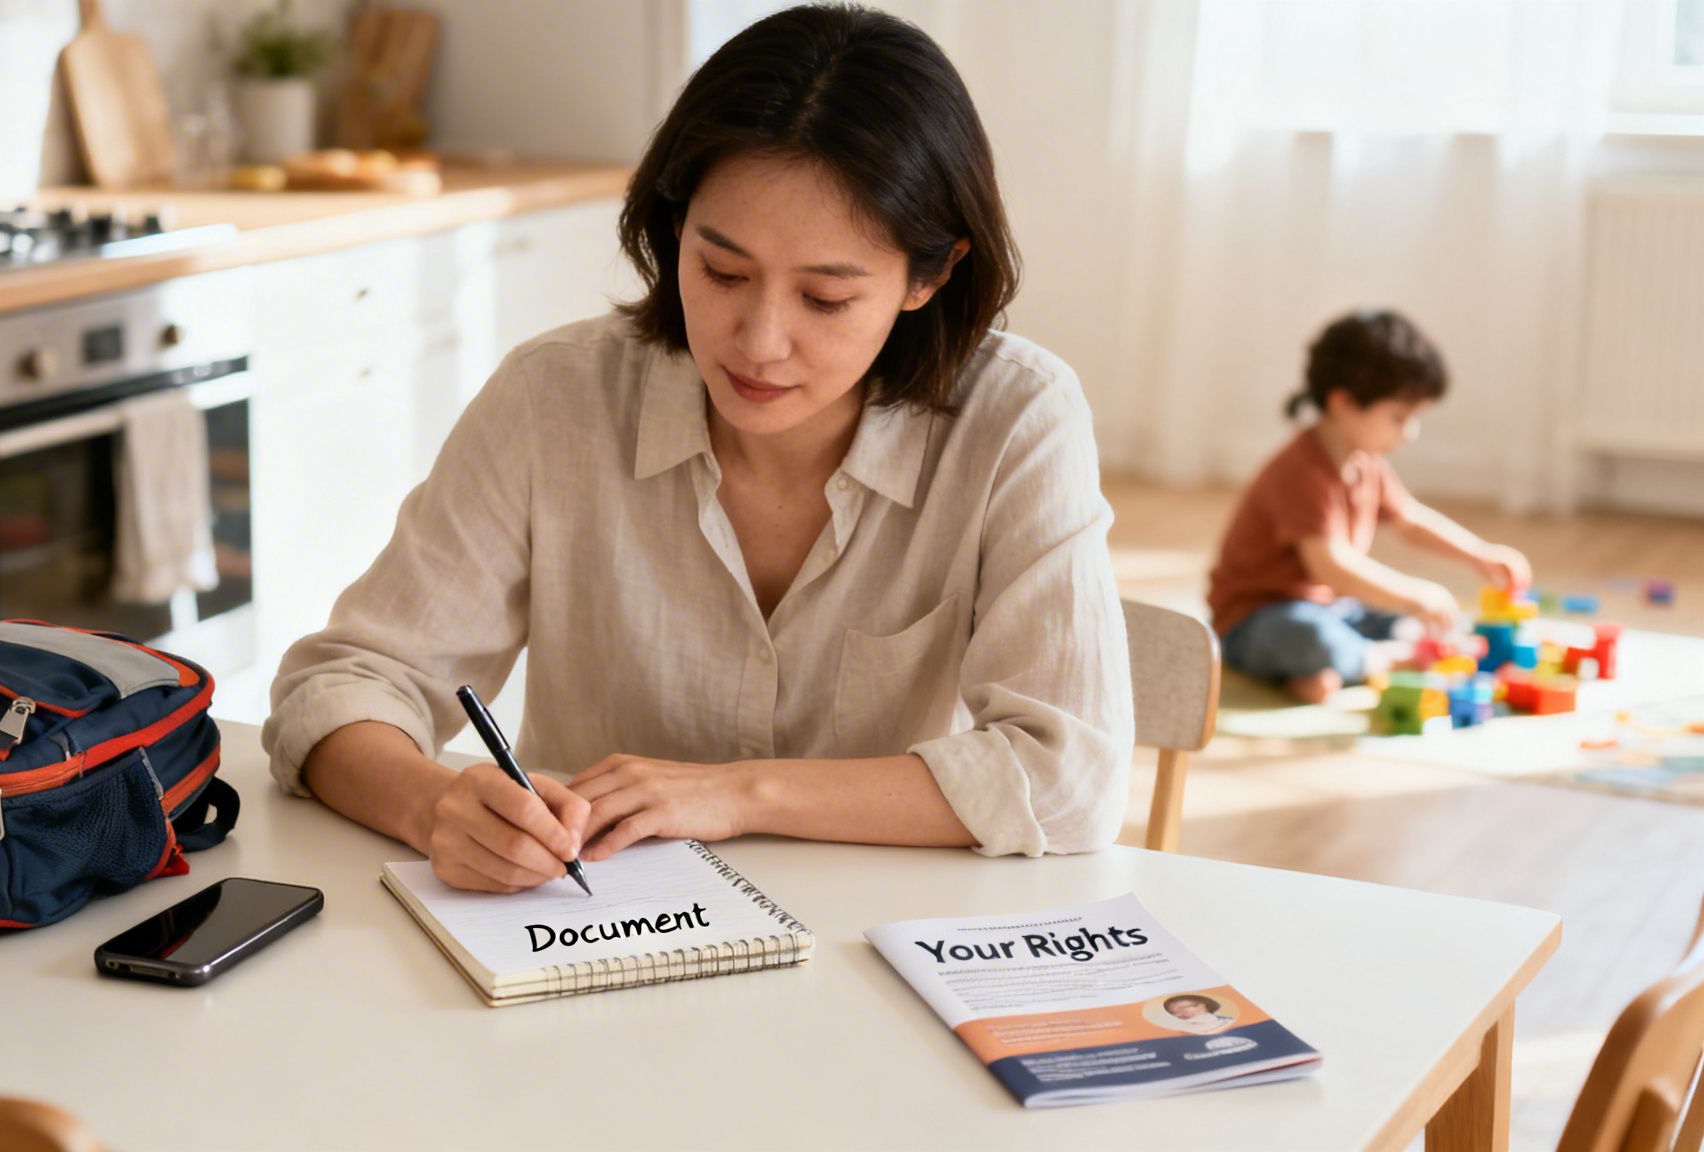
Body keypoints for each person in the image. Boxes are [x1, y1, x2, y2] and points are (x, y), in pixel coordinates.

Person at [263, 3, 1133, 893]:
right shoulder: (553, 398)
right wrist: (432, 804)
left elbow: (1069, 780)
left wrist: (736, 794)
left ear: (932, 274)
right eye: (721, 272)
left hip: (871, 944)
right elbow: (339, 686)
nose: (758, 341)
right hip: (581, 936)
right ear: (674, 226)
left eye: (826, 299)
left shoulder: (1015, 419)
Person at [1207, 310, 1533, 704]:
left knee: (1413, 623)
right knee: (1314, 639)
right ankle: (1379, 661)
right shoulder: (1300, 471)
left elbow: (1410, 520)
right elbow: (1332, 567)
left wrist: (1478, 554)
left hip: (1332, 608)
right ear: (1343, 401)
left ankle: (1327, 671)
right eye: (1399, 417)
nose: (1409, 433)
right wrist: (1414, 592)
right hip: (1256, 619)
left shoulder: (1365, 462)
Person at [1160, 994, 1235, 1034]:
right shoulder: (1179, 1028)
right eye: (1172, 1011)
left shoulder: (1227, 1021)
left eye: (1182, 1007)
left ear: (1201, 1005)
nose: (1177, 1013)